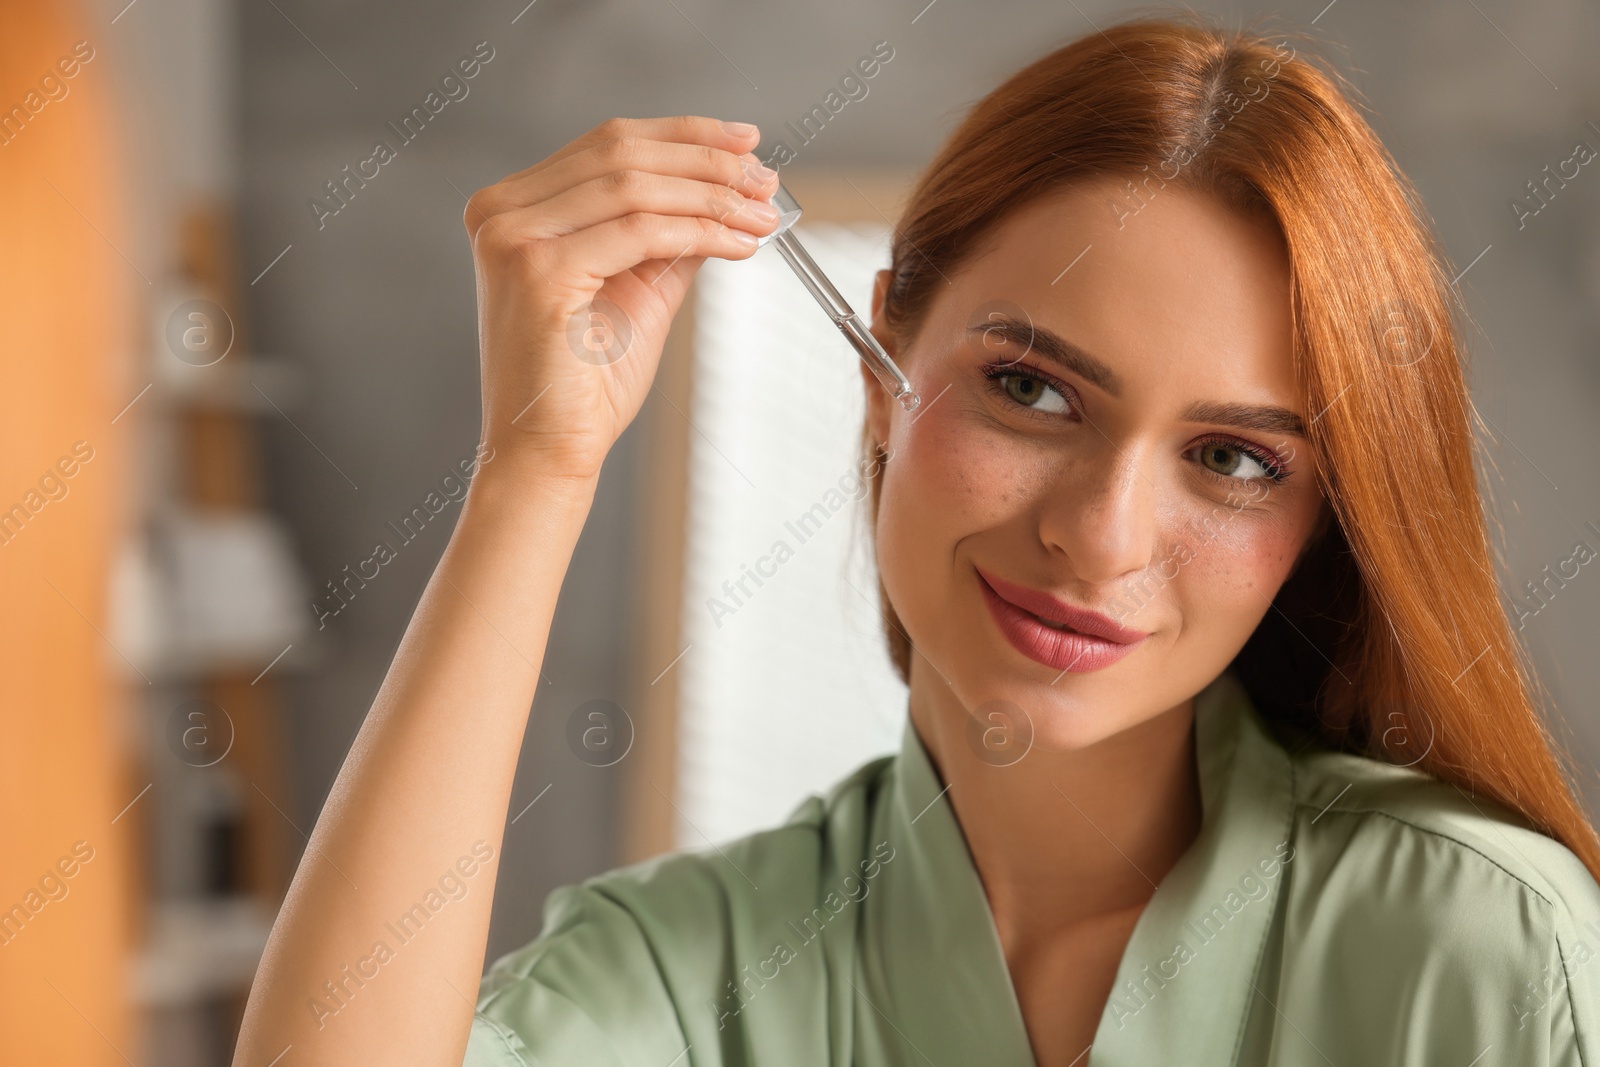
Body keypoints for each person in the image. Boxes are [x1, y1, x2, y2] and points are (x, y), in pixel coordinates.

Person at [232, 14, 1600, 1067]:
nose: (1099, 535)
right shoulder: (689, 974)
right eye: (1032, 388)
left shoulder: (1483, 945)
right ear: (886, 338)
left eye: (1235, 461)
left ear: (1324, 521)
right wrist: (532, 468)